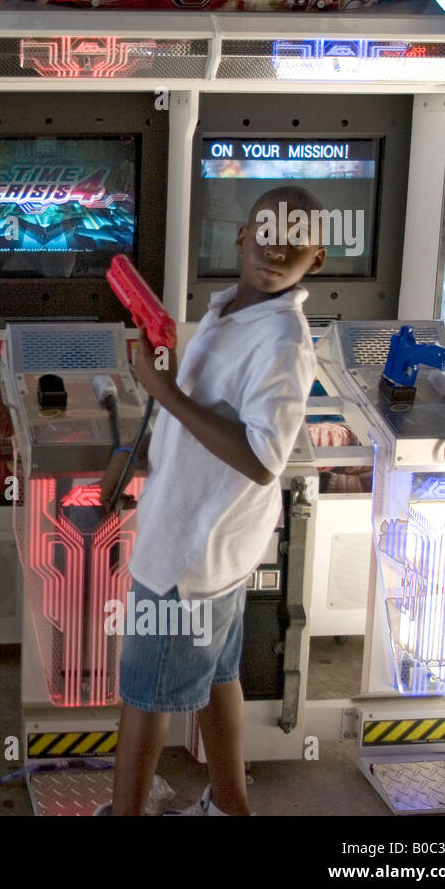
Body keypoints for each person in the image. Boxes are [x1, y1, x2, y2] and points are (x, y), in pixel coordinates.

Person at [96, 185, 326, 816]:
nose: (276, 250)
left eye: (295, 241)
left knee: (143, 696)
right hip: (215, 549)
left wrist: (162, 390)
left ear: (318, 258)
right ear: (241, 236)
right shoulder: (228, 311)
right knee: (221, 676)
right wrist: (142, 453)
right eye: (266, 233)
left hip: (186, 559)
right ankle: (231, 806)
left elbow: (260, 458)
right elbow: (201, 420)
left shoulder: (281, 340)